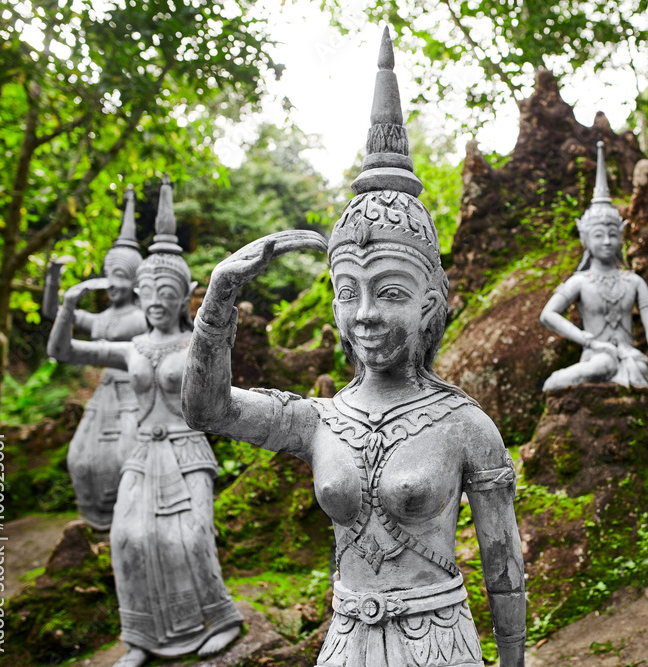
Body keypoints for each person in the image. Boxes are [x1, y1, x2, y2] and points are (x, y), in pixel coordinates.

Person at [183, 27, 526, 667]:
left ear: (430, 300)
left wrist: (513, 660)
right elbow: (208, 411)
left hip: (439, 642)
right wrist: (219, 301)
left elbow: (504, 565)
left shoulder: (465, 426)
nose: (365, 314)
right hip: (346, 641)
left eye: (389, 291)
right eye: (349, 292)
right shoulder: (317, 420)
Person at [47, 176, 242, 667]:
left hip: (186, 449)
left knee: (193, 535)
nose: (156, 299)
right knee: (126, 538)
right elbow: (63, 351)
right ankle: (139, 638)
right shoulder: (130, 347)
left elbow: (217, 380)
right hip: (140, 453)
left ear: (184, 296)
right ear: (139, 292)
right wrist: (67, 306)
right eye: (148, 289)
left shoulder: (195, 345)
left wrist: (223, 307)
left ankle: (220, 619)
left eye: (167, 290)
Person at [42, 187, 147, 530]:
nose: (112, 285)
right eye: (110, 277)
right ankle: (95, 522)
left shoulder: (143, 315)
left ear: (132, 280)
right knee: (81, 457)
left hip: (135, 393)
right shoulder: (100, 319)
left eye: (120, 277)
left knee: (127, 457)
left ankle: (130, 517)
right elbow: (52, 313)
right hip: (103, 396)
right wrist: (54, 279)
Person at [540, 141, 648, 391]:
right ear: (585, 238)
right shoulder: (580, 281)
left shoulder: (634, 281)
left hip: (629, 357)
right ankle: (557, 380)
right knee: (603, 364)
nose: (607, 241)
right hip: (596, 355)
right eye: (599, 235)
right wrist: (588, 341)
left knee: (640, 368)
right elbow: (548, 314)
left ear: (622, 235)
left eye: (612, 234)